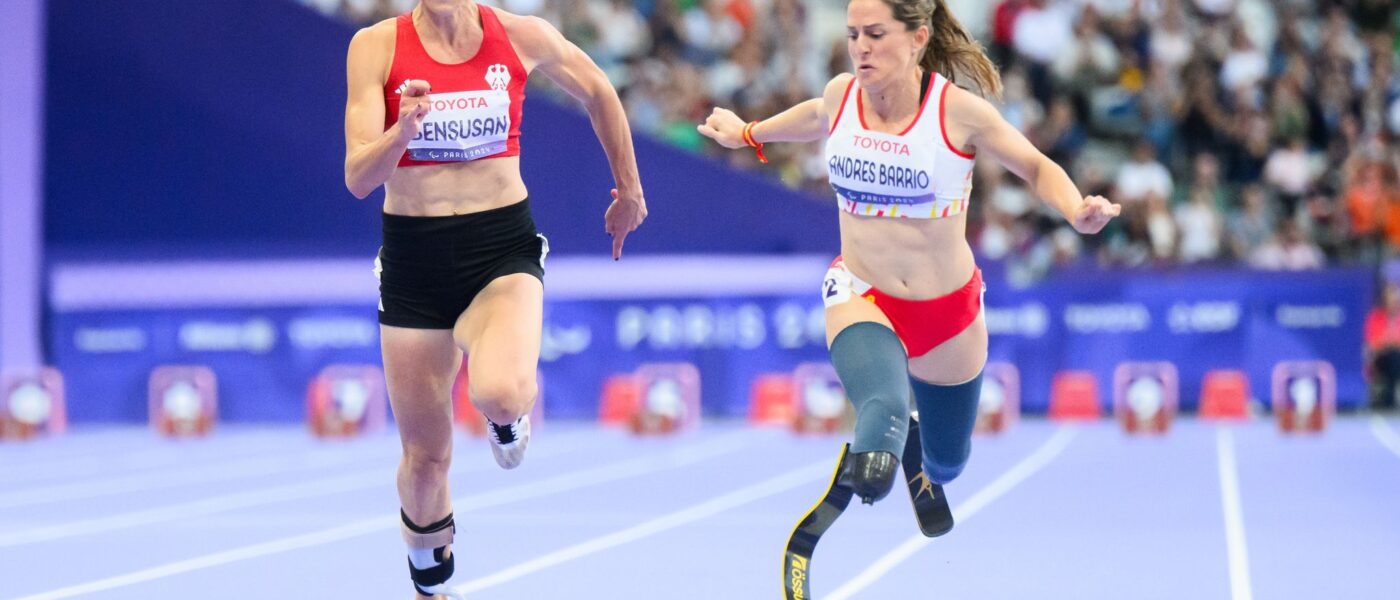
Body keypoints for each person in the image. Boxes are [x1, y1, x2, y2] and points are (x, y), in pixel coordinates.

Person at [699, 0, 1117, 511]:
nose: (860, 47)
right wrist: (749, 133)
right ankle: (882, 445)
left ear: (918, 37)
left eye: (875, 33)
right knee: (881, 422)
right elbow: (817, 115)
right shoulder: (841, 95)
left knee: (947, 463)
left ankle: (927, 452)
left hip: (946, 312)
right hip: (862, 294)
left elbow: (1034, 166)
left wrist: (1077, 210)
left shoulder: (957, 112)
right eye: (853, 34)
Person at [342, 1, 646, 597]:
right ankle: (432, 584)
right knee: (426, 463)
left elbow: (599, 91)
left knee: (501, 393)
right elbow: (357, 177)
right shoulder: (375, 47)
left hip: (498, 250)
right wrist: (401, 131)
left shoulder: (520, 35)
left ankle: (507, 421)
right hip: (413, 262)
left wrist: (630, 192)